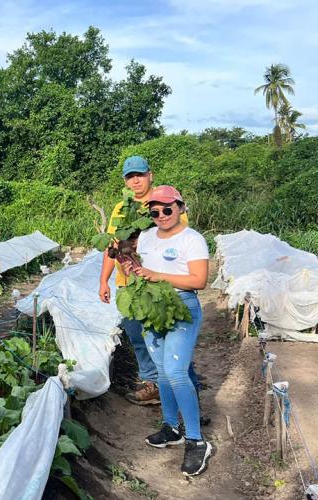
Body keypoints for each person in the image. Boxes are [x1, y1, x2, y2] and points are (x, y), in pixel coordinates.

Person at [120, 185, 212, 476]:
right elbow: (137, 267)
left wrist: (157, 275)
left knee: (175, 372)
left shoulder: (192, 240)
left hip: (180, 307)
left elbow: (199, 280)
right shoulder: (146, 237)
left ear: (180, 208)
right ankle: (172, 427)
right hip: (151, 307)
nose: (161, 214)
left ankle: (197, 441)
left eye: (167, 208)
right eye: (155, 210)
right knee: (161, 370)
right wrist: (126, 261)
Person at [99, 155, 201, 406]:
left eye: (140, 175)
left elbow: (177, 240)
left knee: (169, 342)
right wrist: (104, 281)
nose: (135, 180)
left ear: (150, 175)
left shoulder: (166, 202)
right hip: (129, 285)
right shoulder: (121, 208)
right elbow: (112, 246)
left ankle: (189, 395)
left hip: (160, 285)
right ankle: (152, 383)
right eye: (130, 177)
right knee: (137, 337)